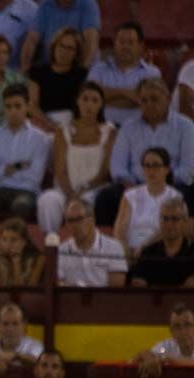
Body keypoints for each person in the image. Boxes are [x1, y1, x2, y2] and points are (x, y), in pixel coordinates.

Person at [98, 79, 194, 227]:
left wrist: (163, 183)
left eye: (154, 99)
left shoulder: (186, 126)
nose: (149, 104)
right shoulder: (128, 128)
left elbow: (189, 167)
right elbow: (118, 166)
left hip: (172, 184)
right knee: (106, 197)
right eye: (144, 100)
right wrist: (131, 186)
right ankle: (110, 246)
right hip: (134, 185)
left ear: (168, 99)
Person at [36, 81, 115, 233]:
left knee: (85, 204)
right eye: (85, 99)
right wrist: (71, 194)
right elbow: (59, 171)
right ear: (77, 101)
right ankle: (50, 242)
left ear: (101, 105)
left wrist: (84, 189)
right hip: (65, 188)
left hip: (94, 189)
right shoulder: (63, 131)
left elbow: (105, 172)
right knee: (48, 200)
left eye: (94, 100)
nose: (89, 105)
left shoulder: (109, 132)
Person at [0, 83, 50, 222]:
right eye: (8, 106)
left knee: (21, 205)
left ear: (27, 107)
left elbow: (35, 177)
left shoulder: (40, 138)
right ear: (3, 108)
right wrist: (17, 167)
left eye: (17, 106)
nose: (13, 111)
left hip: (25, 191)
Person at [113, 147, 183, 261]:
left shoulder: (175, 196)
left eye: (156, 165)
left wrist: (144, 248)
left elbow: (167, 229)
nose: (151, 170)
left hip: (157, 248)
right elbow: (120, 229)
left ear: (166, 169)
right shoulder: (130, 195)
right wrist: (125, 251)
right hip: (130, 250)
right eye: (147, 166)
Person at [87, 21, 160, 128]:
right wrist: (127, 93)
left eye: (130, 42)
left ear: (140, 45)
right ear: (114, 43)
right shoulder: (98, 69)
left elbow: (149, 102)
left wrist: (106, 98)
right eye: (121, 42)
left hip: (138, 130)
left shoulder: (152, 72)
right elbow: (90, 98)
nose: (125, 46)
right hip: (102, 129)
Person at [26, 26, 88, 133]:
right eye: (61, 46)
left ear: (76, 53)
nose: (64, 51)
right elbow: (32, 105)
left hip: (71, 123)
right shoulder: (38, 71)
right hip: (42, 122)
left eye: (70, 48)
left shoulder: (81, 74)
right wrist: (49, 124)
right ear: (54, 46)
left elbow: (83, 104)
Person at [57, 199, 126, 287]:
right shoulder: (61, 250)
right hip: (72, 299)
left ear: (92, 219)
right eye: (70, 221)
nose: (74, 225)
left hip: (103, 299)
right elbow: (59, 285)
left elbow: (116, 288)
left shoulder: (113, 247)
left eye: (79, 219)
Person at [130, 198, 194, 288]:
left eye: (175, 219)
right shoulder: (148, 253)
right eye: (165, 218)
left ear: (185, 222)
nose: (169, 224)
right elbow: (138, 279)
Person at [19, 0, 99, 71]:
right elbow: (32, 40)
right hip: (50, 67)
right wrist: (25, 66)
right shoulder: (45, 5)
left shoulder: (88, 4)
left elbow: (90, 41)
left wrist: (82, 71)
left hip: (80, 66)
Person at [132, 304, 194, 378]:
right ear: (171, 331)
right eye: (177, 326)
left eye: (187, 325)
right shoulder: (165, 346)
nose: (183, 331)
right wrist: (145, 355)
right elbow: (133, 361)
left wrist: (171, 361)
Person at [0, 217, 43, 285]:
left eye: (13, 240)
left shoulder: (38, 258)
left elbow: (29, 290)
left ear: (24, 242)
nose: (7, 244)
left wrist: (16, 262)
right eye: (4, 239)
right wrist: (2, 262)